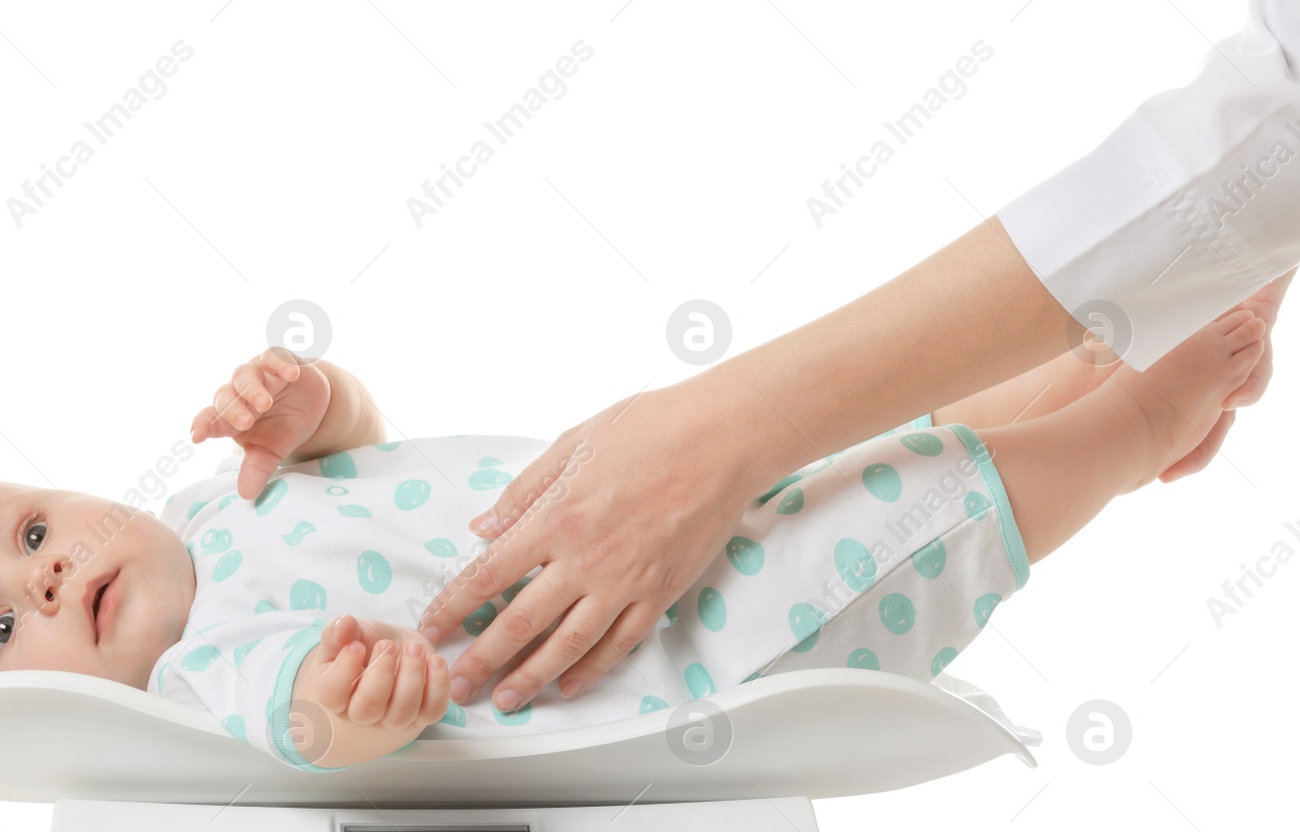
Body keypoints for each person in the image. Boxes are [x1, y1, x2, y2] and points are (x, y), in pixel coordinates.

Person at [0, 306, 1268, 768]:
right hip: (707, 637)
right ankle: (1129, 427)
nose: (46, 569)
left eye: (32, 524)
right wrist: (354, 700)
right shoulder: (199, 682)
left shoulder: (212, 502)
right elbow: (311, 720)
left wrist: (313, 405)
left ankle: (1087, 366)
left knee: (884, 454)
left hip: (679, 515)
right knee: (935, 509)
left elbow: (364, 436)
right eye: (5, 623)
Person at [413, 0, 1300, 711]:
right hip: (607, 661)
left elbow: (1275, 118)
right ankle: (1125, 405)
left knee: (858, 496)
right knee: (868, 524)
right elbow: (1275, 118)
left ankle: (1122, 404)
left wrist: (307, 406)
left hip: (581, 572)